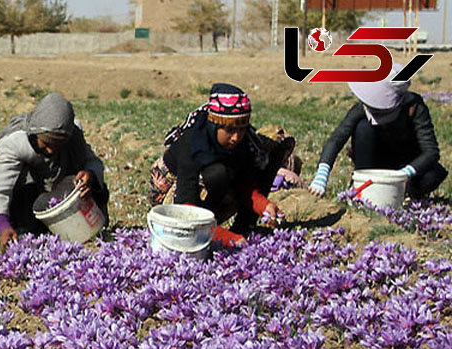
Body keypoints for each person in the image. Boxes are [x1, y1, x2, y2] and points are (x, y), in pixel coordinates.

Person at [0, 92, 108, 251]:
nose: (51, 149)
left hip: (57, 196)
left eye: (58, 144)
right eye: (46, 143)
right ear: (36, 133)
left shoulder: (73, 136)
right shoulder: (17, 142)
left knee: (96, 188)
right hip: (24, 196)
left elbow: (92, 162)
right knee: (24, 218)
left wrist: (91, 175)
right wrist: (3, 226)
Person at [149, 83, 283, 235]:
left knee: (228, 172)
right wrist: (226, 238)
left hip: (208, 186)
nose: (236, 137)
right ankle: (209, 226)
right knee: (218, 173)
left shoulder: (243, 142)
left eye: (242, 129)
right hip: (173, 191)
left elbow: (245, 185)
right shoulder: (193, 143)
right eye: (230, 130)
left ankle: (230, 225)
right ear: (214, 125)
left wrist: (264, 206)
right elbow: (185, 206)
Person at [308, 66, 446, 200]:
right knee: (363, 128)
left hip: (406, 162)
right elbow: (336, 139)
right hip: (374, 161)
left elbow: (431, 151)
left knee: (433, 175)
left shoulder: (414, 107)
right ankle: (362, 185)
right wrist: (322, 173)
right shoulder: (363, 107)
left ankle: (406, 192)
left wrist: (404, 173)